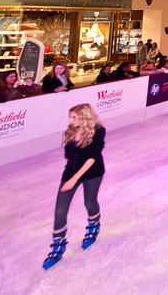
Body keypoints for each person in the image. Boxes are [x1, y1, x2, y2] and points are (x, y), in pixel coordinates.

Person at [43, 104, 106, 269]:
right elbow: (67, 155)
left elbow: (93, 156)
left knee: (89, 202)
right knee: (60, 210)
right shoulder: (70, 131)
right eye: (70, 117)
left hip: (93, 172)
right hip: (70, 173)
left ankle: (93, 227)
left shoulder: (98, 130)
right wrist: (70, 175)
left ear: (84, 117)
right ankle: (58, 246)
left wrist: (75, 178)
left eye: (74, 118)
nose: (70, 121)